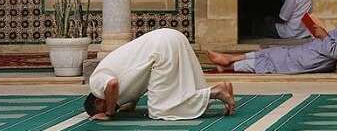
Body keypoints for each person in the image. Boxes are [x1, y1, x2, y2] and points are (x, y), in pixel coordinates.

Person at [83, 28, 235, 121]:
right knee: (176, 92)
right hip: (170, 37)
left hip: (161, 47)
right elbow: (133, 79)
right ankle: (221, 88)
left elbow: (112, 84)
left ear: (98, 102)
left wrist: (109, 113)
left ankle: (215, 92)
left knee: (160, 110)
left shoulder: (96, 84)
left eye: (103, 108)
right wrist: (129, 106)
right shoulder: (119, 96)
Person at [209, 0, 337, 74]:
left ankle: (230, 65)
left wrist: (323, 34)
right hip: (313, 51)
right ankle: (229, 59)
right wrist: (321, 33)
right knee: (273, 51)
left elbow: (334, 52)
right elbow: (334, 44)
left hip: (314, 59)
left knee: (272, 63)